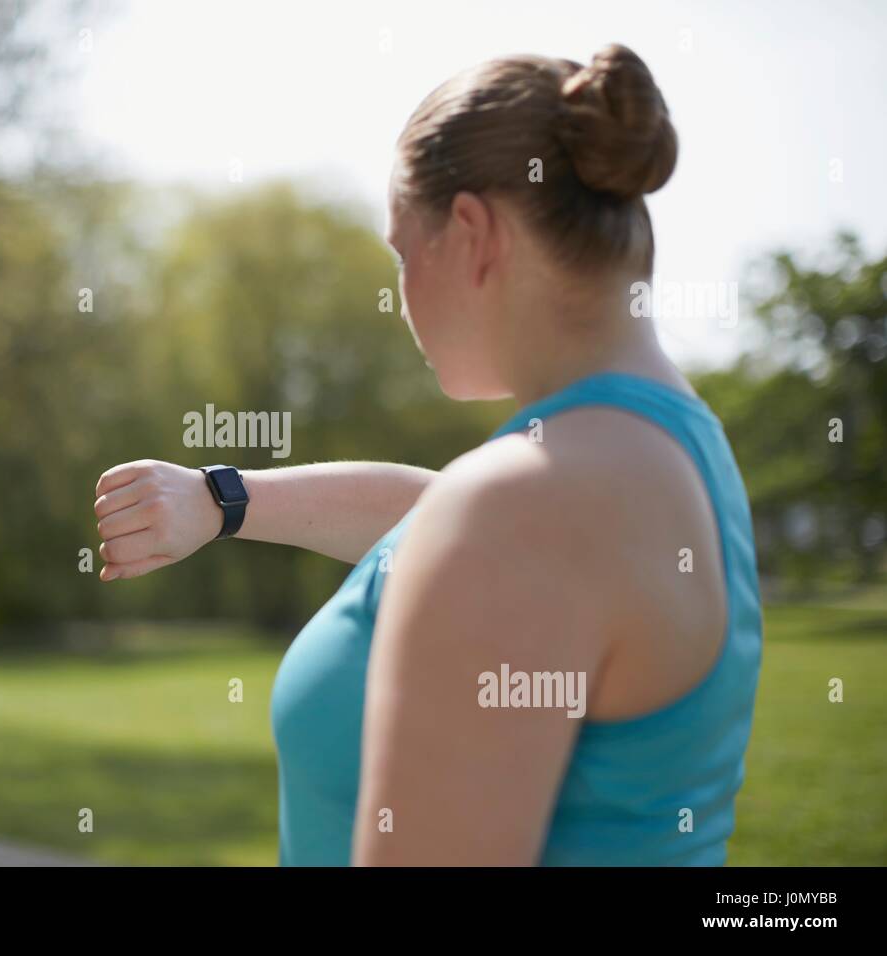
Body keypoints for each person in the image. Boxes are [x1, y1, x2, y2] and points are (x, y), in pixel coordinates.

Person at [92, 44, 762, 866]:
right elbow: (434, 519)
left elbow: (481, 531)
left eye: (404, 252)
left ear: (474, 235)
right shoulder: (667, 449)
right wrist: (223, 498)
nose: (402, 294)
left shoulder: (523, 507)